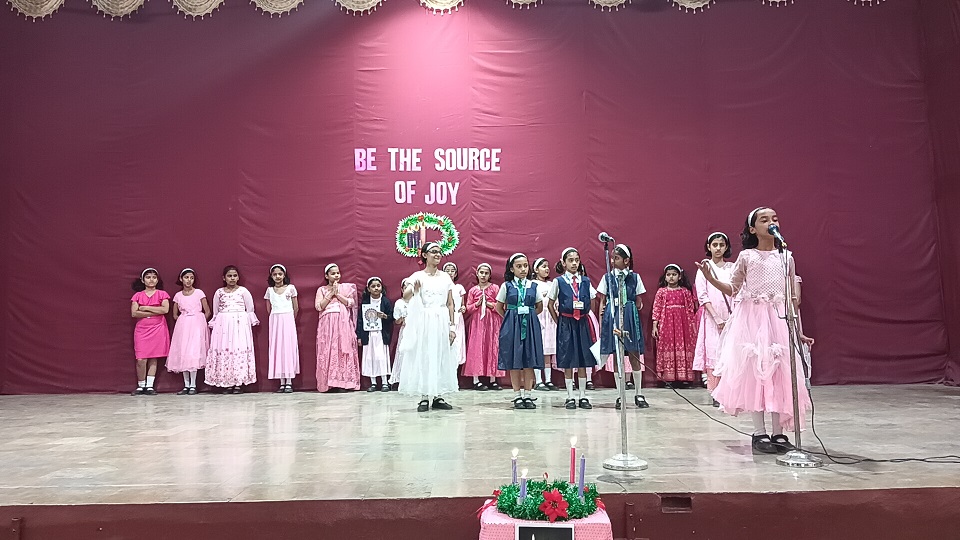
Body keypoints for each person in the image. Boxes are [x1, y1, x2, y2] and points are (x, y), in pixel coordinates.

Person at [697, 207, 813, 454]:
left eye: (775, 219)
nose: (771, 222)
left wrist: (798, 331)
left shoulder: (786, 257)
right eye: (764, 220)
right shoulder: (747, 256)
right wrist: (712, 279)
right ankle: (759, 432)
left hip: (778, 321)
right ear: (752, 229)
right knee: (756, 372)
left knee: (780, 373)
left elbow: (791, 299)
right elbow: (733, 289)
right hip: (753, 320)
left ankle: (779, 432)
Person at [399, 242, 460, 412]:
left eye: (439, 252)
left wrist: (452, 327)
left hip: (441, 320)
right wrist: (415, 289)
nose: (437, 254)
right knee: (425, 356)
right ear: (425, 255)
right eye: (433, 252)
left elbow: (450, 303)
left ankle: (438, 395)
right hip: (425, 321)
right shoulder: (418, 276)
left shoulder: (445, 277)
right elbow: (405, 295)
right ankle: (424, 396)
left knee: (441, 355)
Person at [597, 244, 649, 409]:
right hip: (613, 315)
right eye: (612, 258)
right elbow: (602, 301)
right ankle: (620, 395)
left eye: (617, 258)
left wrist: (630, 310)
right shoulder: (607, 277)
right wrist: (603, 323)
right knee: (617, 356)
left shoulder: (635, 277)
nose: (613, 261)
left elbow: (639, 301)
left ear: (626, 261)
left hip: (629, 315)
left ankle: (638, 393)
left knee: (633, 354)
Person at [547, 247, 598, 410]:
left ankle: (583, 396)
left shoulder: (585, 281)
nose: (574, 263)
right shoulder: (559, 282)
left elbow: (593, 299)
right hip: (566, 323)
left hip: (582, 323)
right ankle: (570, 396)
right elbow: (550, 304)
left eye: (577, 260)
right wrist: (559, 321)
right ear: (564, 263)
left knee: (583, 360)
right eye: (570, 260)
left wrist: (587, 314)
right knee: (568, 359)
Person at [496, 253, 544, 410]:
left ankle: (528, 395)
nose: (523, 269)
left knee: (529, 360)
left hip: (530, 325)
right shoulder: (507, 286)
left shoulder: (533, 286)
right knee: (514, 361)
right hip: (512, 325)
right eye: (519, 266)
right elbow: (499, 307)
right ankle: (517, 395)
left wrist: (529, 316)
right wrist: (511, 317)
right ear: (512, 269)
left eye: (525, 266)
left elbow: (539, 306)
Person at [693, 233, 734, 406]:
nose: (718, 248)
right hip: (711, 319)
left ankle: (730, 392)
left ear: (726, 247)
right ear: (709, 247)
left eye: (721, 245)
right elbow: (702, 296)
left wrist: (733, 317)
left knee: (730, 354)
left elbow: (736, 291)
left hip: (732, 317)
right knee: (714, 354)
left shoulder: (732, 267)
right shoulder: (704, 268)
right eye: (714, 245)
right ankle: (716, 393)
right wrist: (716, 318)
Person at [205, 265, 259, 393]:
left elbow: (249, 309)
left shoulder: (243, 291)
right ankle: (227, 382)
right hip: (223, 325)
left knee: (238, 348)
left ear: (238, 277)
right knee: (225, 349)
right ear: (224, 278)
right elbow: (216, 311)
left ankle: (238, 382)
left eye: (235, 276)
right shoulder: (219, 292)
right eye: (229, 276)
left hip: (239, 324)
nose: (232, 278)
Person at [315, 263, 359, 393]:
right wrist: (330, 294)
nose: (336, 275)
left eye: (338, 273)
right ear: (326, 276)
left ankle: (343, 382)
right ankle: (328, 383)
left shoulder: (345, 288)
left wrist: (338, 294)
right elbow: (319, 307)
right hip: (327, 325)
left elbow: (351, 303)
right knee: (328, 350)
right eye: (333, 273)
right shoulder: (322, 290)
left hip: (343, 324)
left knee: (342, 350)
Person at [652, 264, 697, 386]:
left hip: (683, 325)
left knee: (683, 347)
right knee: (668, 346)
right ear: (665, 277)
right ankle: (668, 378)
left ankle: (684, 377)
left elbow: (690, 309)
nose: (671, 277)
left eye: (674, 274)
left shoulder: (685, 292)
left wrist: (692, 326)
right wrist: (655, 325)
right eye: (668, 275)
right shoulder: (662, 292)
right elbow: (657, 308)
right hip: (666, 325)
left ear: (679, 276)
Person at [168, 268, 210, 395]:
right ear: (181, 279)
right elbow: (175, 314)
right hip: (183, 327)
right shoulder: (178, 295)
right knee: (183, 353)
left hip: (196, 325)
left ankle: (193, 385)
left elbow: (207, 311)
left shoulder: (199, 293)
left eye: (191, 278)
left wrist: (200, 322)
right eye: (186, 277)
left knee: (193, 353)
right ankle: (186, 385)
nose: (189, 280)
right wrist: (183, 321)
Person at [130, 268, 171, 395]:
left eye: (154, 277)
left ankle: (149, 386)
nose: (151, 280)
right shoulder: (137, 295)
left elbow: (165, 310)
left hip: (158, 328)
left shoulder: (162, 294)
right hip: (142, 330)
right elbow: (134, 313)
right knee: (141, 359)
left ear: (157, 280)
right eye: (148, 277)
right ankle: (141, 385)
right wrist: (155, 311)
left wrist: (145, 308)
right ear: (143, 280)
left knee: (154, 357)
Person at [464, 263, 504, 390]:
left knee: (492, 347)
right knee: (477, 347)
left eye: (486, 273)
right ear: (477, 274)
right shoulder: (473, 290)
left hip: (492, 323)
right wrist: (477, 304)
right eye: (481, 273)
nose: (483, 275)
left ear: (489, 275)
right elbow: (468, 308)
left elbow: (501, 305)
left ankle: (493, 379)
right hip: (478, 323)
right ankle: (476, 380)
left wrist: (490, 304)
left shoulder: (495, 288)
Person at [265, 264, 299, 393]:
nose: (278, 276)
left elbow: (296, 307)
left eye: (280, 274)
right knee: (277, 348)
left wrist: (289, 319)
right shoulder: (269, 291)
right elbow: (269, 309)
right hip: (275, 320)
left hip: (288, 319)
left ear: (284, 275)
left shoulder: (291, 288)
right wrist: (276, 318)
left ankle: (289, 381)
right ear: (271, 276)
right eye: (275, 274)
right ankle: (281, 382)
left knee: (288, 348)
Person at [357, 277, 394, 392]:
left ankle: (384, 382)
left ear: (381, 287)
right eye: (373, 286)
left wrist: (384, 316)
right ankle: (373, 382)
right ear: (368, 289)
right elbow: (360, 320)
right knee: (370, 357)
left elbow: (391, 317)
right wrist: (359, 336)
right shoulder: (365, 302)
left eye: (378, 286)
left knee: (381, 357)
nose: (376, 288)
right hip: (368, 335)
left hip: (381, 335)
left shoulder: (385, 301)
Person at [531, 258, 559, 391]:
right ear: (536, 270)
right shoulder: (532, 284)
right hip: (539, 317)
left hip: (550, 318)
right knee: (539, 349)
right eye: (543, 266)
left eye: (547, 266)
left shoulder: (552, 284)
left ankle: (548, 379)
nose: (546, 269)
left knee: (548, 350)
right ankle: (538, 380)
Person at [443, 262, 468, 367]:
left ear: (456, 273)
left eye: (452, 271)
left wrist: (463, 308)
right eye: (447, 270)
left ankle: (454, 370)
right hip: (445, 318)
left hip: (457, 318)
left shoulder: (459, 287)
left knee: (457, 344)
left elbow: (463, 305)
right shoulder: (441, 287)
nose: (450, 273)